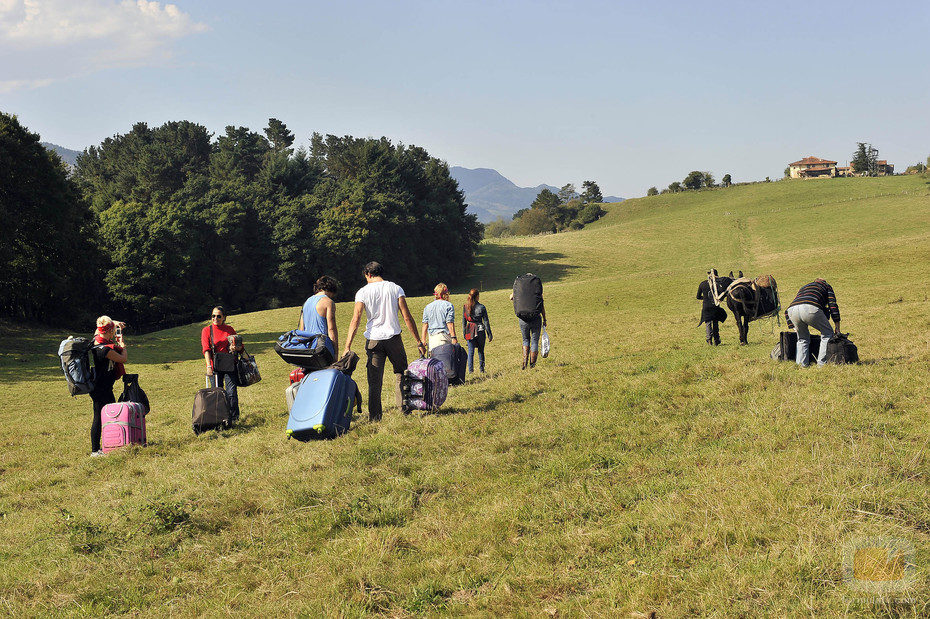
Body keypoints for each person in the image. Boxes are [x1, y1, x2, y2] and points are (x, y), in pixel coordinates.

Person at [343, 262, 427, 421]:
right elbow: (407, 317)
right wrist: (418, 341)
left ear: (368, 274)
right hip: (394, 339)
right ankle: (403, 408)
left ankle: (375, 417)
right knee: (401, 373)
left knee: (374, 381)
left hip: (373, 340)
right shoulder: (395, 288)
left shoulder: (362, 292)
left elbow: (356, 319)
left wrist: (347, 345)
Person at [90, 316, 128, 456]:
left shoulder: (96, 339)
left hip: (103, 386)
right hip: (101, 388)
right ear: (110, 331)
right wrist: (122, 346)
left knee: (109, 416)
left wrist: (115, 323)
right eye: (113, 330)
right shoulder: (105, 350)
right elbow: (123, 358)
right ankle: (95, 451)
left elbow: (99, 328)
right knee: (99, 418)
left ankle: (110, 444)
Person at [785, 278, 841, 367]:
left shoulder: (803, 288)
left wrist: (793, 327)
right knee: (827, 334)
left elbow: (786, 311)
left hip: (792, 310)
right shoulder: (826, 286)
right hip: (810, 308)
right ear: (824, 282)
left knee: (802, 338)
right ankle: (822, 365)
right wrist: (837, 327)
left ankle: (801, 365)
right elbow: (833, 306)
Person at [201, 306, 243, 422]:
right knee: (217, 394)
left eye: (218, 316)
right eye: (213, 316)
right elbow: (206, 349)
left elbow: (240, 346)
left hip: (230, 364)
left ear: (224, 317)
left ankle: (234, 418)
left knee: (231, 393)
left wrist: (235, 347)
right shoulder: (206, 330)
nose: (215, 318)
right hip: (215, 366)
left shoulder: (229, 329)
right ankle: (219, 418)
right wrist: (209, 366)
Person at [510, 275, 547, 370]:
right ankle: (532, 365)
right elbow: (542, 306)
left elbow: (511, 297)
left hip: (523, 319)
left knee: (525, 340)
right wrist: (544, 319)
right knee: (534, 341)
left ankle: (524, 363)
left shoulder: (520, 289)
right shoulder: (536, 290)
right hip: (536, 318)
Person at [298, 275, 339, 357]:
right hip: (321, 348)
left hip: (307, 347)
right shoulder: (328, 302)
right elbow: (331, 329)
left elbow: (301, 329)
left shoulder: (307, 302)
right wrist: (335, 352)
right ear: (332, 290)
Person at [420, 283, 458, 352]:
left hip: (432, 339)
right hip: (444, 338)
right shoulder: (448, 305)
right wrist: (453, 337)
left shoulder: (428, 307)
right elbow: (449, 323)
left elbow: (425, 324)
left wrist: (423, 340)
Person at [463, 288, 493, 373]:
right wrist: (489, 334)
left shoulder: (465, 307)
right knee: (481, 351)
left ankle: (470, 371)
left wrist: (464, 333)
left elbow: (464, 321)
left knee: (470, 351)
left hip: (469, 330)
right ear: (477, 296)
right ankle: (482, 369)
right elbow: (486, 321)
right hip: (480, 330)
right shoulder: (482, 307)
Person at [697, 269, 727, 346]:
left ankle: (709, 340)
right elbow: (721, 295)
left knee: (708, 323)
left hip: (706, 306)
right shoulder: (717, 284)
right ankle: (716, 340)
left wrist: (705, 298)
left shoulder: (702, 284)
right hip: (715, 306)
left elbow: (698, 296)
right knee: (715, 323)